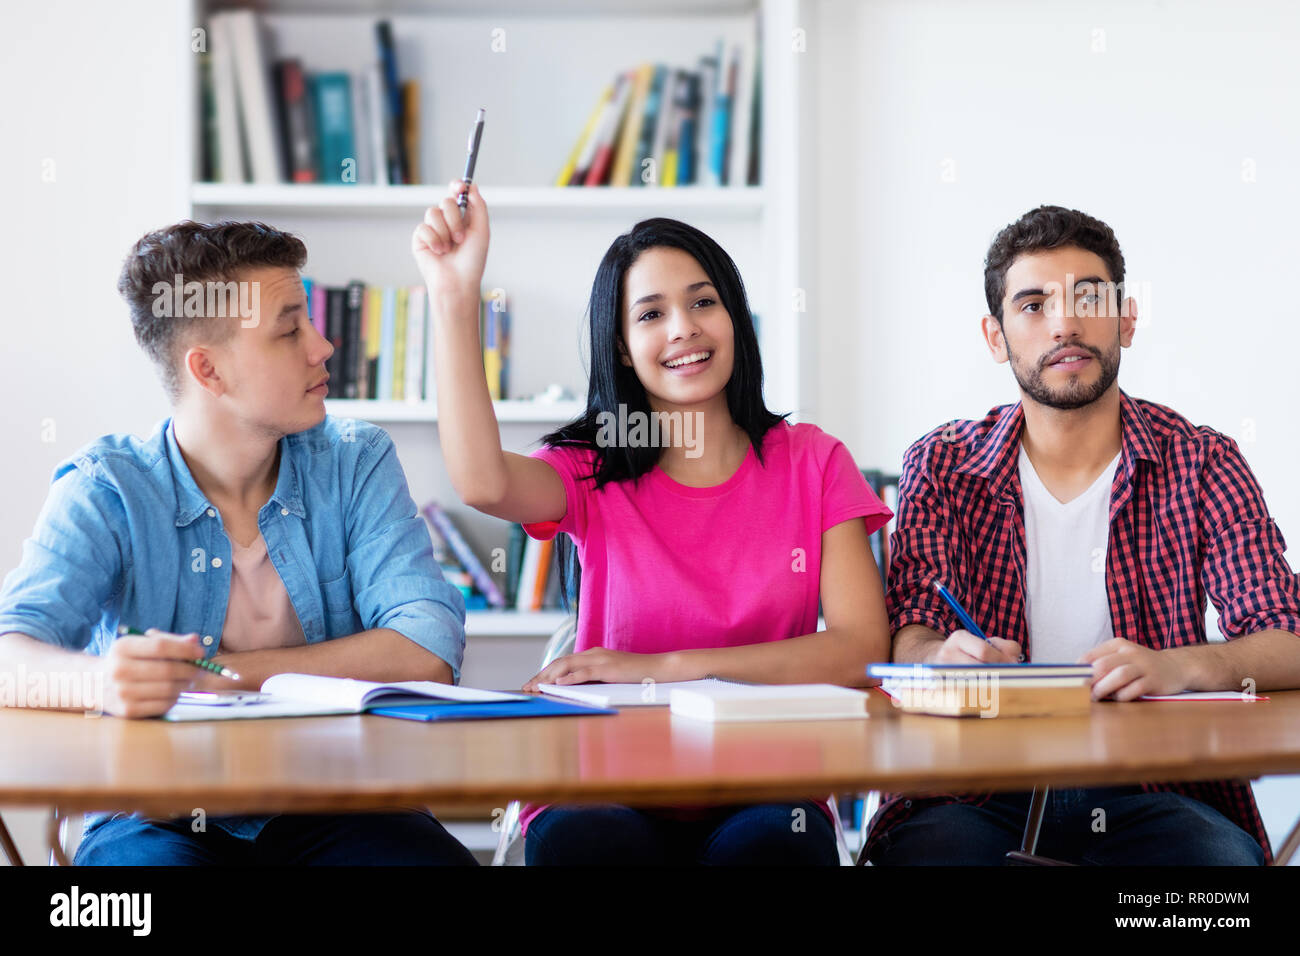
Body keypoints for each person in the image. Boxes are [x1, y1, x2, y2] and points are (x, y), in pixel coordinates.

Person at [413, 179, 892, 865]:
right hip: (604, 782)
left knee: (770, 848)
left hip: (767, 785)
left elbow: (856, 650)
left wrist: (661, 670)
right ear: (620, 347)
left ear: (735, 318)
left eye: (704, 302)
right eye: (651, 315)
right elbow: (482, 481)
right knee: (592, 842)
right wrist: (455, 298)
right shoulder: (592, 466)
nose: (683, 329)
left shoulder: (813, 461)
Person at [0, 220, 476, 865]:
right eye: (289, 330)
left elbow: (426, 648)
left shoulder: (355, 460)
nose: (324, 346)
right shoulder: (107, 487)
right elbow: (10, 656)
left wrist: (217, 678)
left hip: (343, 803)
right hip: (156, 813)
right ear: (209, 369)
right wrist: (105, 682)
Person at [867, 204, 1300, 866]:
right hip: (975, 788)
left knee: (1222, 870)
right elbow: (914, 633)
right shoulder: (943, 464)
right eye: (1034, 304)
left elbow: (1289, 637)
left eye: (1088, 297)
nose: (1065, 322)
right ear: (995, 336)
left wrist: (1182, 665)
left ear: (1126, 319)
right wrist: (937, 658)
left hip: (1154, 784)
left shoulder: (1203, 461)